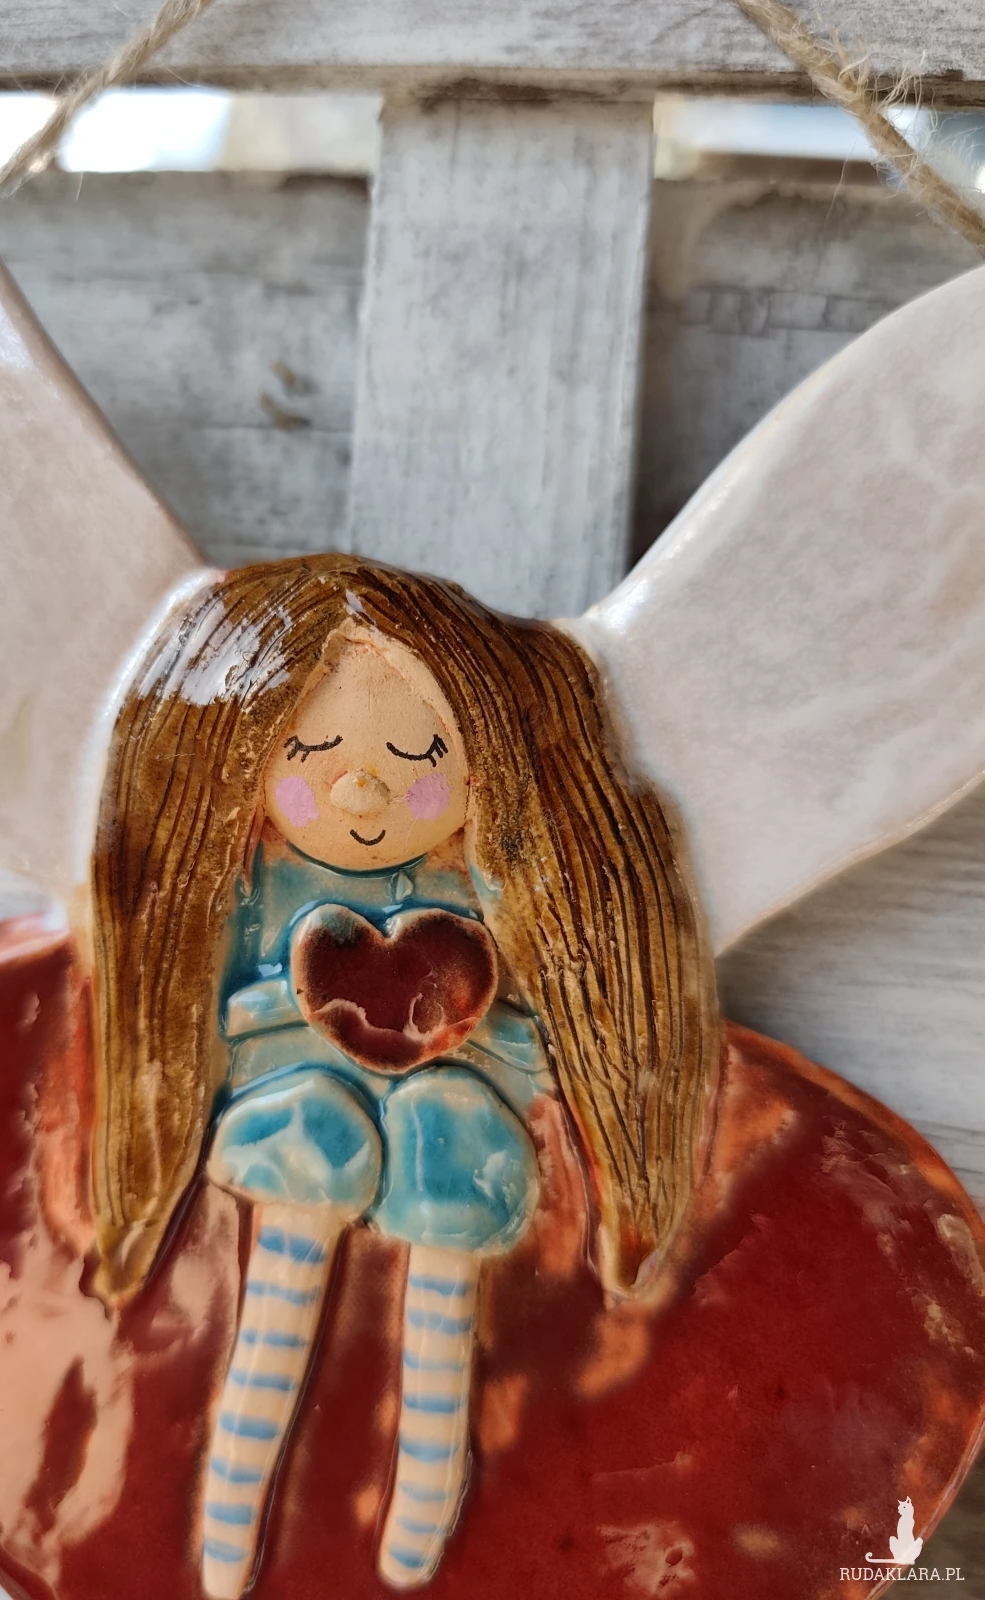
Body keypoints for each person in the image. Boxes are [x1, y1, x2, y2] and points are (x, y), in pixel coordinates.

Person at [87, 556, 718, 1595]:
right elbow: (216, 991)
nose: (364, 789)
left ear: (482, 768)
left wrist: (479, 1031)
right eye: (313, 753)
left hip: (453, 1097)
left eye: (419, 753)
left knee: (445, 1203)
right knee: (293, 1219)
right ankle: (232, 1518)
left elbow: (533, 1020)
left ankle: (424, 1505)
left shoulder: (492, 884)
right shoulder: (255, 881)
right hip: (299, 1091)